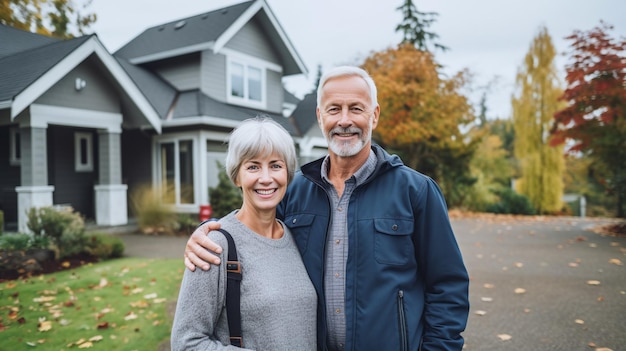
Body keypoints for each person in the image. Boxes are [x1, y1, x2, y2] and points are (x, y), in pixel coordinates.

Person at [184, 66, 470, 350]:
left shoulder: (415, 191)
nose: (344, 120)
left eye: (356, 109)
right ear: (320, 117)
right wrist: (206, 235)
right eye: (334, 109)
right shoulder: (295, 191)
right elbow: (254, 227)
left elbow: (448, 286)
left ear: (375, 115)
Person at [171, 117, 317, 350]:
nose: (266, 178)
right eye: (253, 166)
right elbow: (186, 342)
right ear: (236, 175)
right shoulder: (214, 246)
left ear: (288, 175)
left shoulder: (295, 236)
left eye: (276, 165)